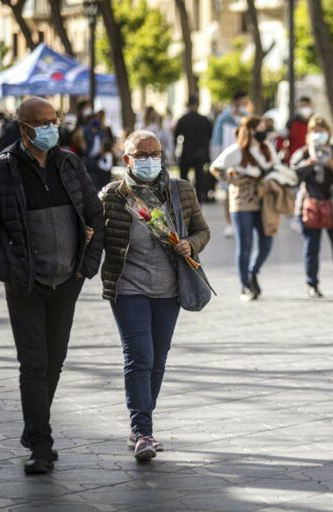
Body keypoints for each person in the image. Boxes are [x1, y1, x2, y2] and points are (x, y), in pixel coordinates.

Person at [0, 97, 104, 474]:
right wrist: (7, 270)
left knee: (55, 361)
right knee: (33, 364)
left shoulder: (69, 162)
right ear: (24, 127)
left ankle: (34, 429)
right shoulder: (0, 171)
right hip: (26, 283)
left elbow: (95, 215)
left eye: (54, 120)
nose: (52, 126)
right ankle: (41, 444)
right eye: (43, 122)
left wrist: (86, 267)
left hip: (68, 280)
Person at [100, 130, 210, 461]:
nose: (150, 159)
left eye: (155, 153)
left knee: (158, 359)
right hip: (128, 287)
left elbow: (202, 230)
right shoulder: (112, 196)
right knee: (139, 357)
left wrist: (191, 244)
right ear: (127, 159)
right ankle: (144, 432)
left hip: (169, 289)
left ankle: (139, 425)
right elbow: (93, 238)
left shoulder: (181, 191)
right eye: (142, 154)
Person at [211, 115, 278, 300]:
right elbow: (215, 168)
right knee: (245, 243)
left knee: (266, 240)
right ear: (252, 130)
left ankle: (252, 272)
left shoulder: (267, 148)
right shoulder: (236, 151)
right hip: (242, 199)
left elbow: (276, 168)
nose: (266, 131)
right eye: (263, 128)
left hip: (263, 198)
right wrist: (233, 180)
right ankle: (245, 285)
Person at [291, 115, 333, 298]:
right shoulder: (303, 153)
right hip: (310, 203)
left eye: (322, 130)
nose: (318, 134)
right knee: (311, 247)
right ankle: (312, 284)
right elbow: (292, 176)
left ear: (329, 132)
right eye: (315, 131)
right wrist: (309, 164)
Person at [212, 91, 250, 238]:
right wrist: (216, 161)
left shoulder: (246, 117)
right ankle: (229, 223)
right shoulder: (224, 118)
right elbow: (216, 141)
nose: (243, 104)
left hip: (244, 160)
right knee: (228, 192)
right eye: (241, 101)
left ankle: (241, 222)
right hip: (227, 160)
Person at [175, 95, 213, 203]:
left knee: (184, 178)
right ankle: (198, 201)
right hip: (201, 152)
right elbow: (210, 136)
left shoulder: (183, 119)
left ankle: (185, 199)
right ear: (198, 105)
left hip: (187, 152)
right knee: (199, 178)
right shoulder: (204, 119)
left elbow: (176, 135)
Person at [286, 96, 314, 161]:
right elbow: (283, 135)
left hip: (312, 156)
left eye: (306, 105)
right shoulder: (292, 121)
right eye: (302, 106)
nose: (304, 108)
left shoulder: (315, 120)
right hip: (294, 156)